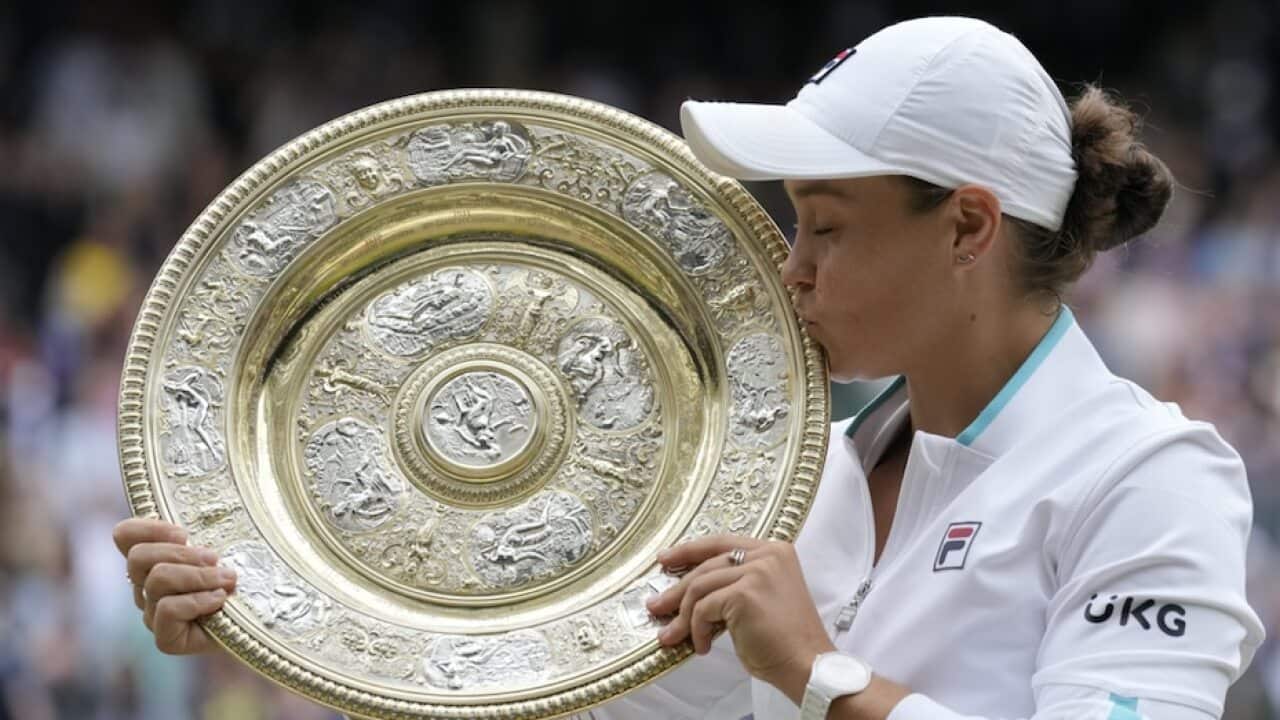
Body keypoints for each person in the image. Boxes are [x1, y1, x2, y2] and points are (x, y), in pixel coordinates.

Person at [113, 16, 1264, 720]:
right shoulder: (782, 481)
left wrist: (819, 675)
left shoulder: (1148, 478)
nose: (786, 269)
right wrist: (279, 622)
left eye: (826, 226)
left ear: (967, 227)